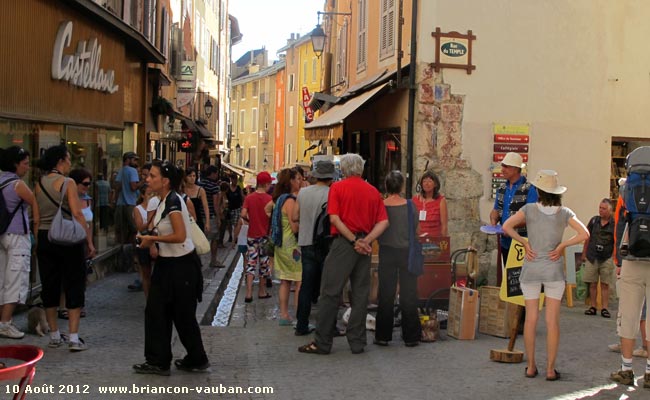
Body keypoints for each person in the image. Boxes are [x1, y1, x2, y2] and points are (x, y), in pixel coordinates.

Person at [503, 170, 588, 381]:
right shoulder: (565, 212)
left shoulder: (529, 209)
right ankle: (550, 369)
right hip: (553, 269)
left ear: (539, 191)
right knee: (552, 321)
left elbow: (506, 226)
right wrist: (563, 245)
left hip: (531, 267)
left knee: (531, 319)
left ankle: (531, 366)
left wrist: (523, 241)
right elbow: (584, 234)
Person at [299, 153, 389, 355]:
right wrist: (366, 240)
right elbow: (384, 222)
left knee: (330, 292)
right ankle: (357, 342)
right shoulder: (373, 191)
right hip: (364, 246)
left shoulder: (337, 188)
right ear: (361, 169)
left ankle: (322, 342)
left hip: (344, 244)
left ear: (344, 169)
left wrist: (353, 240)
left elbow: (334, 219)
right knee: (360, 294)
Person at [133, 161, 209, 375]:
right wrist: (151, 240)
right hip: (169, 265)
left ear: (165, 181)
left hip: (181, 266)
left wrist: (152, 238)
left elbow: (180, 235)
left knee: (181, 315)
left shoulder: (174, 201)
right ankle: (161, 360)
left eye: (153, 176)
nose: (148, 179)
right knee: (158, 311)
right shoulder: (161, 201)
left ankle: (194, 358)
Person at [35, 145, 95, 351]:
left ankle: (53, 335)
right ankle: (74, 337)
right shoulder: (68, 182)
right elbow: (78, 213)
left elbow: (35, 217)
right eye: (69, 159)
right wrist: (88, 240)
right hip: (67, 238)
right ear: (61, 161)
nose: (70, 163)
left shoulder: (39, 183)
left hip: (45, 237)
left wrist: (38, 239)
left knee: (49, 285)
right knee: (74, 283)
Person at [609, 146, 650, 388]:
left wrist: (618, 262)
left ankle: (625, 370)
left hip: (632, 261)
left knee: (629, 316)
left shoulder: (626, 189)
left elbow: (619, 226)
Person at [374, 171, 422, 347]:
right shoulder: (410, 206)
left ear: (386, 186)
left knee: (386, 293)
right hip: (406, 251)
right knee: (408, 293)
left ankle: (382, 335)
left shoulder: (381, 205)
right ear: (402, 186)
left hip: (386, 251)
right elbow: (416, 230)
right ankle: (411, 336)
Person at [292, 160, 335, 336]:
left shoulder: (303, 192)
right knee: (327, 287)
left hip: (306, 242)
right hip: (325, 245)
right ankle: (328, 326)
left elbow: (294, 216)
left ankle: (302, 325)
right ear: (330, 177)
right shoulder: (332, 193)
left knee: (306, 286)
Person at [0, 146, 39, 339]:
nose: (28, 167)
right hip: (17, 235)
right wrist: (37, 230)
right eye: (25, 163)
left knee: (2, 280)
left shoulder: (0, 180)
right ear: (15, 164)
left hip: (2, 234)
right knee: (16, 279)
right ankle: (5, 323)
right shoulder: (17, 184)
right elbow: (34, 203)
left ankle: (3, 321)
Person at [57, 168, 93, 320]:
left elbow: (89, 224)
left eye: (89, 184)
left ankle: (78, 304)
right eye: (85, 184)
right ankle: (63, 306)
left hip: (82, 241)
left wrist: (90, 243)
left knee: (81, 275)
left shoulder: (88, 199)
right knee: (66, 275)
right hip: (69, 240)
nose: (87, 187)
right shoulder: (66, 200)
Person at [490, 152, 538, 265]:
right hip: (505, 242)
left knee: (521, 276)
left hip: (522, 242)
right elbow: (496, 210)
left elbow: (530, 217)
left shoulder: (530, 189)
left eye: (506, 166)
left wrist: (509, 227)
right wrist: (493, 221)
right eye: (502, 166)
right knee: (508, 275)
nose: (502, 169)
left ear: (516, 169)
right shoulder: (501, 188)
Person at [270, 168, 302, 326]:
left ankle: (284, 315)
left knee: (285, 281)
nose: (300, 181)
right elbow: (294, 226)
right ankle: (299, 315)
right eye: (297, 179)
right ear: (290, 181)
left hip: (281, 244)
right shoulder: (290, 201)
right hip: (292, 246)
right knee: (299, 280)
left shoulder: (279, 199)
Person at [240, 171, 274, 302]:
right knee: (264, 263)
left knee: (251, 263)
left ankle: (248, 293)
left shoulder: (249, 198)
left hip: (252, 235)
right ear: (266, 184)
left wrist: (251, 221)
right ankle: (262, 291)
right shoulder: (269, 199)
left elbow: (243, 214)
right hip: (265, 235)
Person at [581, 199, 615, 318]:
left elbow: (616, 240)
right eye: (600, 208)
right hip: (592, 255)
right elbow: (587, 237)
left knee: (605, 283)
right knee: (592, 283)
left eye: (604, 208)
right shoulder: (594, 221)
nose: (601, 210)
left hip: (607, 256)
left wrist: (615, 257)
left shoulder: (614, 223)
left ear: (610, 210)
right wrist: (584, 253)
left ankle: (605, 308)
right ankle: (593, 306)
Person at [114, 152, 141, 273]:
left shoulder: (121, 170)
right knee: (134, 231)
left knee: (122, 233)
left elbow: (117, 186)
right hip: (130, 203)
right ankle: (132, 261)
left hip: (120, 204)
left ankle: (121, 261)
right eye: (134, 160)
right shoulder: (132, 171)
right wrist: (142, 182)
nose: (136, 162)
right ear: (128, 160)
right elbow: (133, 187)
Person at [199, 165, 223, 268]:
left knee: (199, 238)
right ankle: (213, 260)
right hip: (211, 216)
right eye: (216, 173)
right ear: (213, 174)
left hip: (200, 215)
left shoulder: (200, 184)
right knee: (214, 238)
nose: (217, 175)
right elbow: (215, 204)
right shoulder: (214, 186)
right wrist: (218, 218)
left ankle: (198, 260)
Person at [412, 170, 448, 237]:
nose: (426, 184)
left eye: (429, 181)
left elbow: (444, 226)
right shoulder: (415, 200)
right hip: (418, 240)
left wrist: (443, 243)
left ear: (435, 184)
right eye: (424, 181)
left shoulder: (441, 201)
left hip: (434, 241)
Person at [184, 167, 209, 232]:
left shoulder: (200, 190)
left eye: (194, 176)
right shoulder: (182, 189)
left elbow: (205, 207)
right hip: (184, 219)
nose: (192, 178)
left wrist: (207, 222)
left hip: (197, 219)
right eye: (190, 176)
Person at [226, 175, 244, 243]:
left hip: (237, 208)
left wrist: (243, 206)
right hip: (229, 208)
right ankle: (230, 236)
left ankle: (235, 237)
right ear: (231, 179)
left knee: (236, 224)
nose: (235, 181)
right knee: (229, 223)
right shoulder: (228, 188)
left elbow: (242, 197)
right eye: (234, 179)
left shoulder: (239, 188)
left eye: (236, 180)